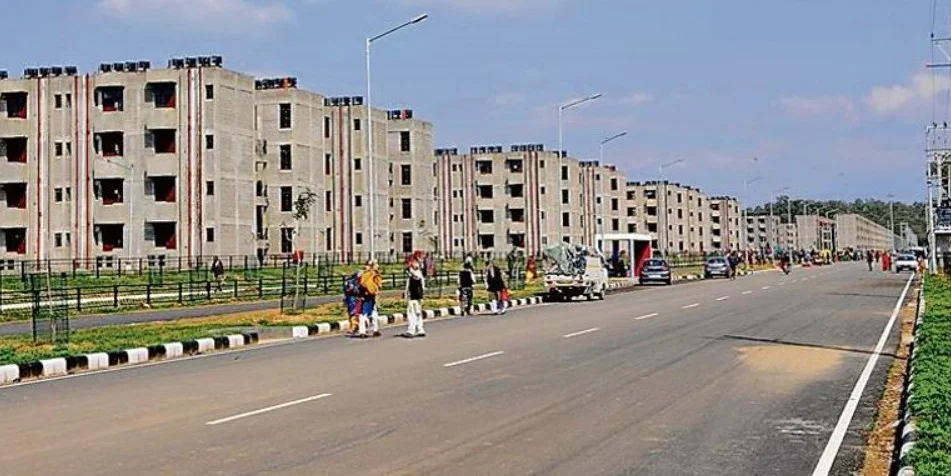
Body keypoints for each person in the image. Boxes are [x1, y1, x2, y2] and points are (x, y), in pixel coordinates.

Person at [357, 260, 383, 338]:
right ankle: (365, 331)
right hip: (369, 295)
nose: (378, 265)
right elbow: (378, 284)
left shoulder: (364, 273)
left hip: (365, 294)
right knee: (366, 313)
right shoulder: (371, 273)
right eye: (376, 264)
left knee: (370, 312)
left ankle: (372, 330)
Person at [402, 261, 426, 338]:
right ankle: (420, 329)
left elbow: (407, 288)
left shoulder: (411, 277)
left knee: (411, 314)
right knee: (418, 314)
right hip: (419, 298)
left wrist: (405, 295)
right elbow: (423, 288)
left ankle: (411, 330)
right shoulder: (420, 276)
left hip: (412, 298)